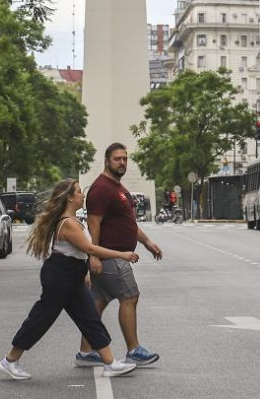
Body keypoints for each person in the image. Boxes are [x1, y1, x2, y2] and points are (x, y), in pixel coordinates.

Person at [0, 179, 139, 381]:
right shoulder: (68, 223)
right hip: (60, 276)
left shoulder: (72, 220)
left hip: (71, 274)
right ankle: (10, 360)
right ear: (70, 197)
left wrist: (84, 272)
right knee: (41, 318)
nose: (83, 195)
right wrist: (121, 254)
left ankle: (110, 364)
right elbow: (89, 249)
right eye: (79, 192)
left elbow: (79, 254)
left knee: (89, 318)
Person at [76, 143, 164, 368]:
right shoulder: (101, 189)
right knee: (130, 297)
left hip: (114, 256)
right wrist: (93, 256)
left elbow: (128, 223)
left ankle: (86, 352)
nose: (122, 162)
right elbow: (93, 225)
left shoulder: (117, 187)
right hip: (112, 256)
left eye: (125, 158)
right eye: (117, 159)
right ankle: (134, 350)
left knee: (98, 302)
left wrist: (147, 242)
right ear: (107, 161)